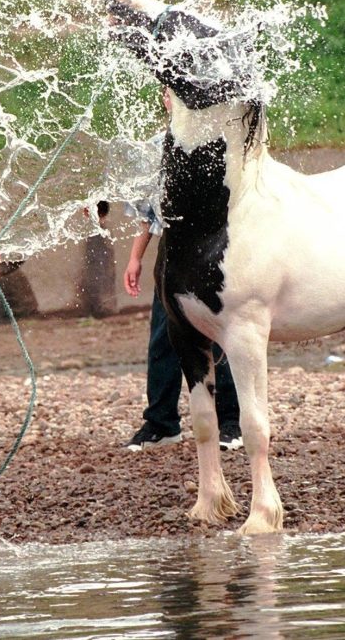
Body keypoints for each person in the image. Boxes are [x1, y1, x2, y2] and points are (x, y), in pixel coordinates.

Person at [122, 87, 242, 452]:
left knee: (223, 339)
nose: (178, 101)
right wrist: (135, 257)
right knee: (163, 340)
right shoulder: (156, 147)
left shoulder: (219, 144)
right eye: (171, 95)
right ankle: (161, 423)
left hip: (217, 256)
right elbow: (148, 213)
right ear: (165, 99)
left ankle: (231, 423)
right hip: (173, 258)